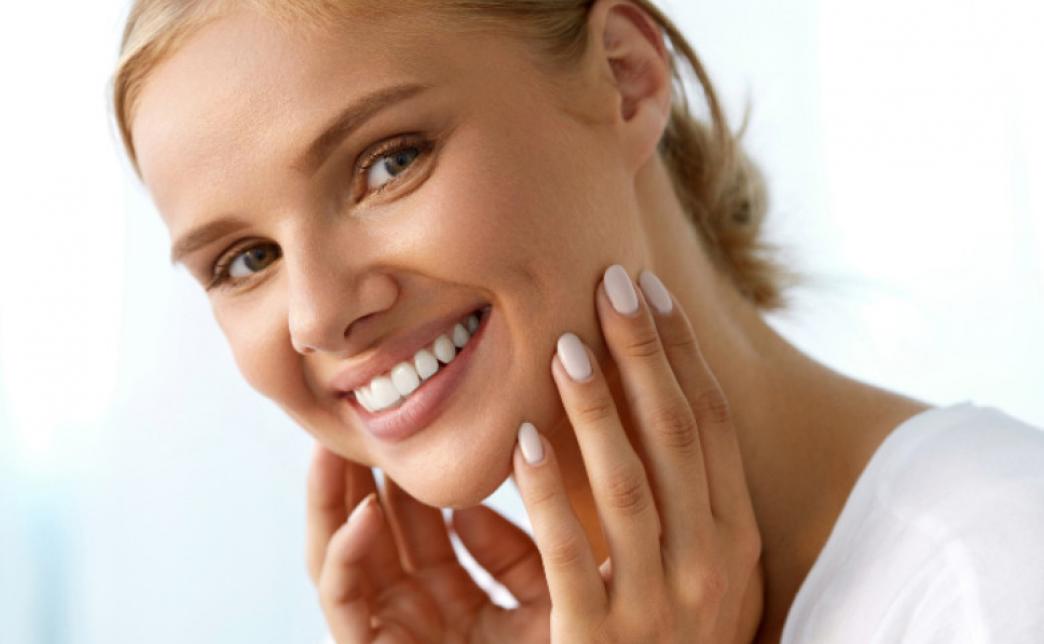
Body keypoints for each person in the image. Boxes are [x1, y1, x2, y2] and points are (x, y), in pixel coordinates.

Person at [111, 0, 1044, 641]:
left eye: (388, 162)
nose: (318, 316)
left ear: (625, 79)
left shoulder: (996, 577)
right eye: (245, 261)